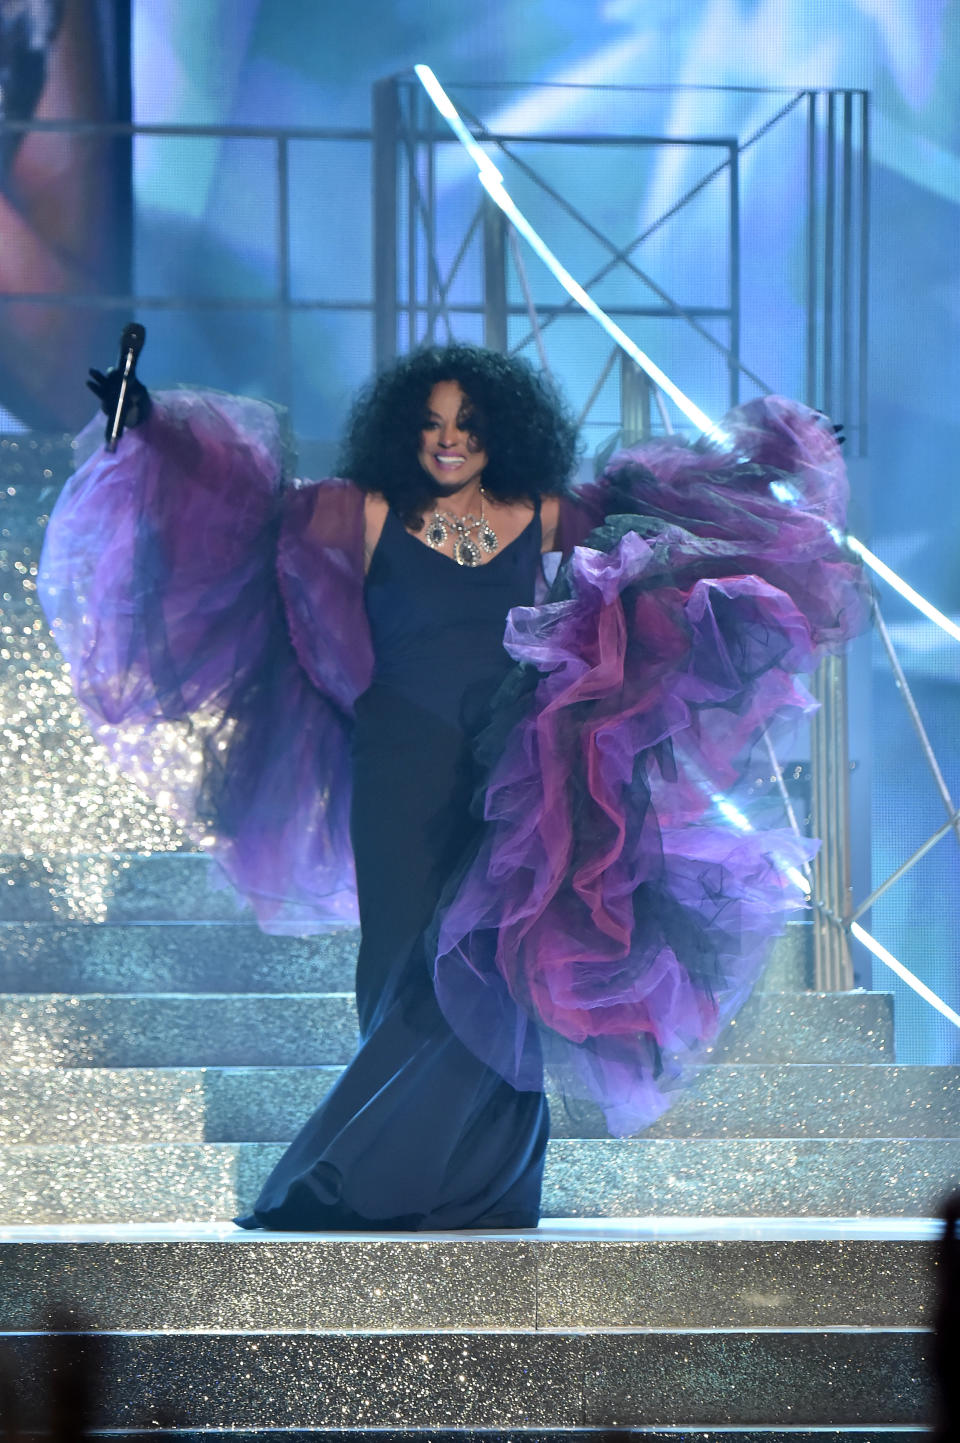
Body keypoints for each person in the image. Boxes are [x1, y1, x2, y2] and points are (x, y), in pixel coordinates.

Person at [38, 342, 868, 1231]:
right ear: (404, 429)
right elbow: (237, 506)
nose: (448, 439)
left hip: (510, 769)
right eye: (431, 423)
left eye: (467, 424)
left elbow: (675, 513)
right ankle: (415, 1169)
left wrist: (775, 458)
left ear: (500, 430)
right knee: (401, 964)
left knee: (490, 966)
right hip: (397, 764)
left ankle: (451, 1178)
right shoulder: (362, 511)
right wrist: (156, 429)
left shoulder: (550, 512)